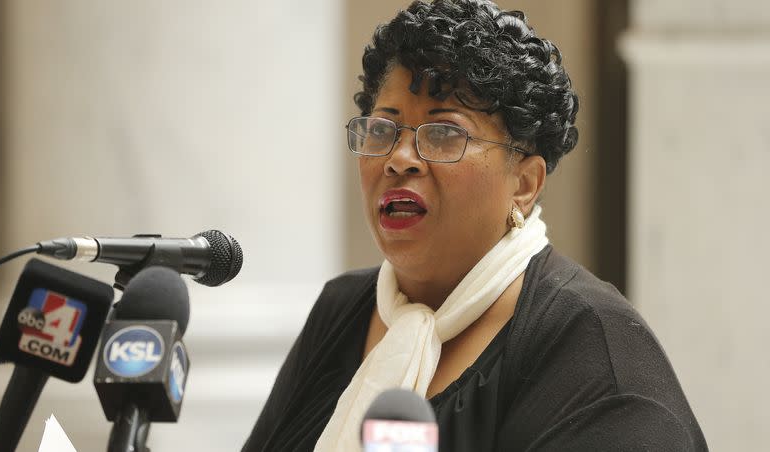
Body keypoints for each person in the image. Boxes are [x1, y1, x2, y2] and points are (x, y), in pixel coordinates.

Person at [243, 1, 707, 451]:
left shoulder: (595, 351)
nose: (399, 160)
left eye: (444, 133)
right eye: (383, 129)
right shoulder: (342, 311)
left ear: (524, 183)